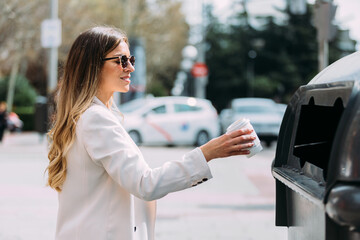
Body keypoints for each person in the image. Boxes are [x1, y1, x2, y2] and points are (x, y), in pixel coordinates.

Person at [46, 26, 256, 240]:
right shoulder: (95, 119)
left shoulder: (86, 116)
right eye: (120, 60)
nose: (130, 68)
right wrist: (207, 153)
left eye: (131, 60)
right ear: (92, 66)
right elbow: (145, 184)